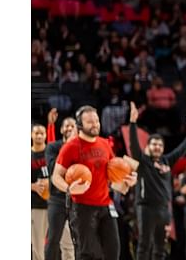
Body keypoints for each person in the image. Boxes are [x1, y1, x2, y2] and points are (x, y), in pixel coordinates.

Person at [51, 105, 139, 260]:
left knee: (113, 252)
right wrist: (69, 189)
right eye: (90, 122)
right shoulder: (70, 147)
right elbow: (56, 177)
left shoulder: (105, 144)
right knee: (89, 254)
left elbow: (112, 176)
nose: (95, 124)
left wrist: (127, 180)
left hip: (105, 206)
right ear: (80, 125)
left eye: (97, 120)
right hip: (81, 209)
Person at [128, 102, 186, 260]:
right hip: (145, 208)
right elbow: (134, 145)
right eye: (154, 144)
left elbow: (181, 149)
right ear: (148, 147)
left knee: (161, 247)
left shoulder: (166, 161)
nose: (157, 147)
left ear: (163, 148)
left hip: (164, 209)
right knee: (144, 245)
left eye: (159, 145)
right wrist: (133, 123)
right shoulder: (143, 161)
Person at [44, 108, 77, 260]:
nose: (69, 128)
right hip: (57, 199)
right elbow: (52, 169)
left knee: (73, 242)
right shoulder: (52, 147)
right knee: (52, 240)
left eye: (73, 125)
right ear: (61, 129)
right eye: (66, 126)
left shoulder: (81, 149)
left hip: (76, 200)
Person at [31, 123, 49, 260]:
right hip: (36, 206)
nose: (39, 135)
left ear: (46, 135)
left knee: (63, 243)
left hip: (55, 204)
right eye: (36, 133)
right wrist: (33, 186)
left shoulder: (51, 153)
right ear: (31, 135)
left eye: (42, 133)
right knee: (38, 246)